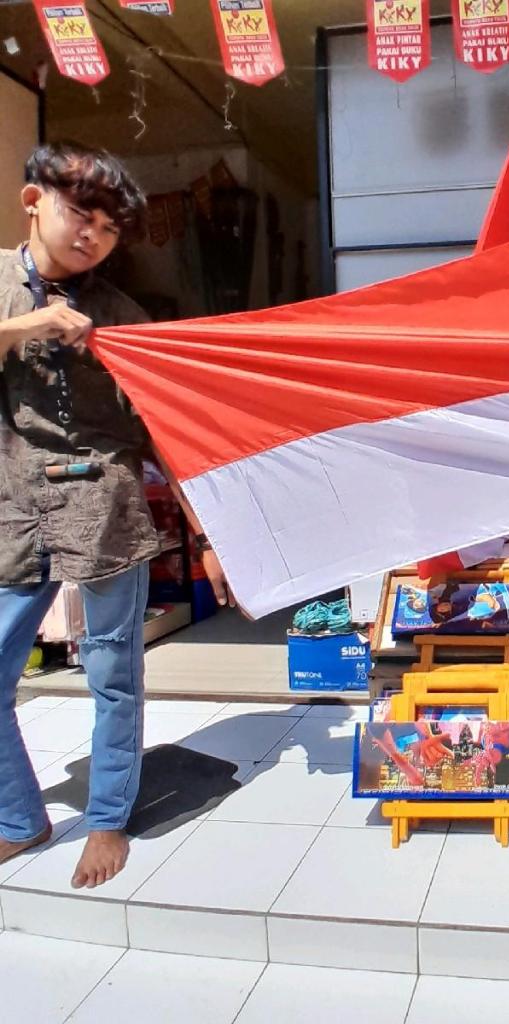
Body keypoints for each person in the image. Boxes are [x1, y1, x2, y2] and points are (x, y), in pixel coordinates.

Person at [0, 142, 233, 889]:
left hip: (105, 505)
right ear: (35, 200)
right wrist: (31, 327)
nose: (91, 233)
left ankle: (106, 816)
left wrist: (208, 537)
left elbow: (168, 429)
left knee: (114, 675)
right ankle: (17, 817)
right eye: (79, 213)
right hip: (11, 506)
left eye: (107, 225)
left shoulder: (123, 317)